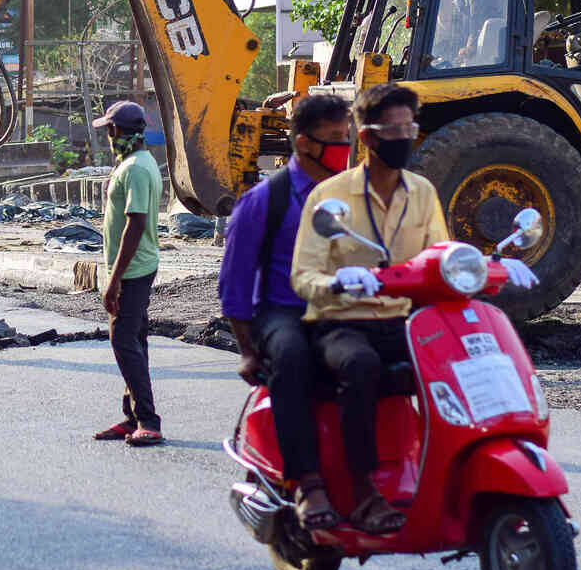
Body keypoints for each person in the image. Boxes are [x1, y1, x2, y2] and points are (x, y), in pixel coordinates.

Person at [291, 82, 535, 533]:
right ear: (366, 137)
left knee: (462, 364)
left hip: (403, 319)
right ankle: (363, 493)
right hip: (339, 323)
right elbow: (303, 278)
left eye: (410, 128)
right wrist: (339, 281)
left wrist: (489, 264)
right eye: (393, 129)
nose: (405, 137)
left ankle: (448, 473)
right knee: (361, 365)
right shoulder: (330, 198)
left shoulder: (421, 192)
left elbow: (438, 258)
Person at [221, 94, 353, 530]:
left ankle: (370, 476)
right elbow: (236, 283)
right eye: (334, 139)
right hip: (283, 312)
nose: (344, 146)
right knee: (293, 358)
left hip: (340, 309)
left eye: (347, 136)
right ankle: (309, 483)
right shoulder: (264, 200)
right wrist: (247, 350)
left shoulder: (354, 194)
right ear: (302, 144)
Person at [92, 100, 164, 447]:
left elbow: (135, 224)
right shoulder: (137, 162)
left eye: (109, 130)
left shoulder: (135, 168)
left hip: (133, 269)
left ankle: (148, 419)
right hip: (137, 265)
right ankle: (132, 416)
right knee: (134, 339)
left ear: (120, 133)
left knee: (123, 340)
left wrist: (115, 278)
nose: (108, 136)